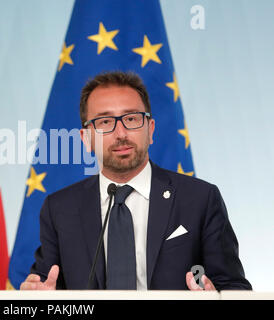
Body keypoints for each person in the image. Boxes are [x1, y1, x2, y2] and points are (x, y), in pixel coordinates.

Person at [20, 71, 252, 291]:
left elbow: (233, 287)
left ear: (150, 130)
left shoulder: (199, 199)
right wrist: (39, 296)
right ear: (86, 138)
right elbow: (46, 286)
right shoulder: (60, 209)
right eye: (105, 122)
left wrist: (215, 293)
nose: (121, 133)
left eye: (131, 119)